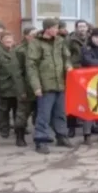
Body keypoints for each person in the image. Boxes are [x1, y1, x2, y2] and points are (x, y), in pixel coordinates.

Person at [26, 18, 72, 154]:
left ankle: (61, 136)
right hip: (45, 85)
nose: (57, 30)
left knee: (60, 113)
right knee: (43, 115)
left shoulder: (60, 41)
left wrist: (68, 66)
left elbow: (66, 58)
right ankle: (41, 140)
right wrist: (36, 86)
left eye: (57, 28)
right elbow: (31, 66)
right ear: (47, 29)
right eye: (55, 28)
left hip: (60, 84)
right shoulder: (35, 43)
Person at [0, 32, 23, 140]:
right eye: (6, 39)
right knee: (3, 110)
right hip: (4, 85)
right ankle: (4, 129)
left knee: (19, 110)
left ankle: (19, 129)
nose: (9, 41)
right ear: (1, 41)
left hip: (17, 86)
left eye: (10, 39)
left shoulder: (17, 51)